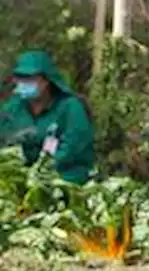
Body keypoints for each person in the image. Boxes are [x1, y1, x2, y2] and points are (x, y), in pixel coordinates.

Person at [0, 50, 95, 184]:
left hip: (65, 176)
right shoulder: (14, 107)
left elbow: (73, 146)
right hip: (22, 175)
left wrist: (42, 169)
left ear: (46, 81)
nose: (24, 82)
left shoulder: (70, 107)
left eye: (30, 78)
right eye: (20, 77)